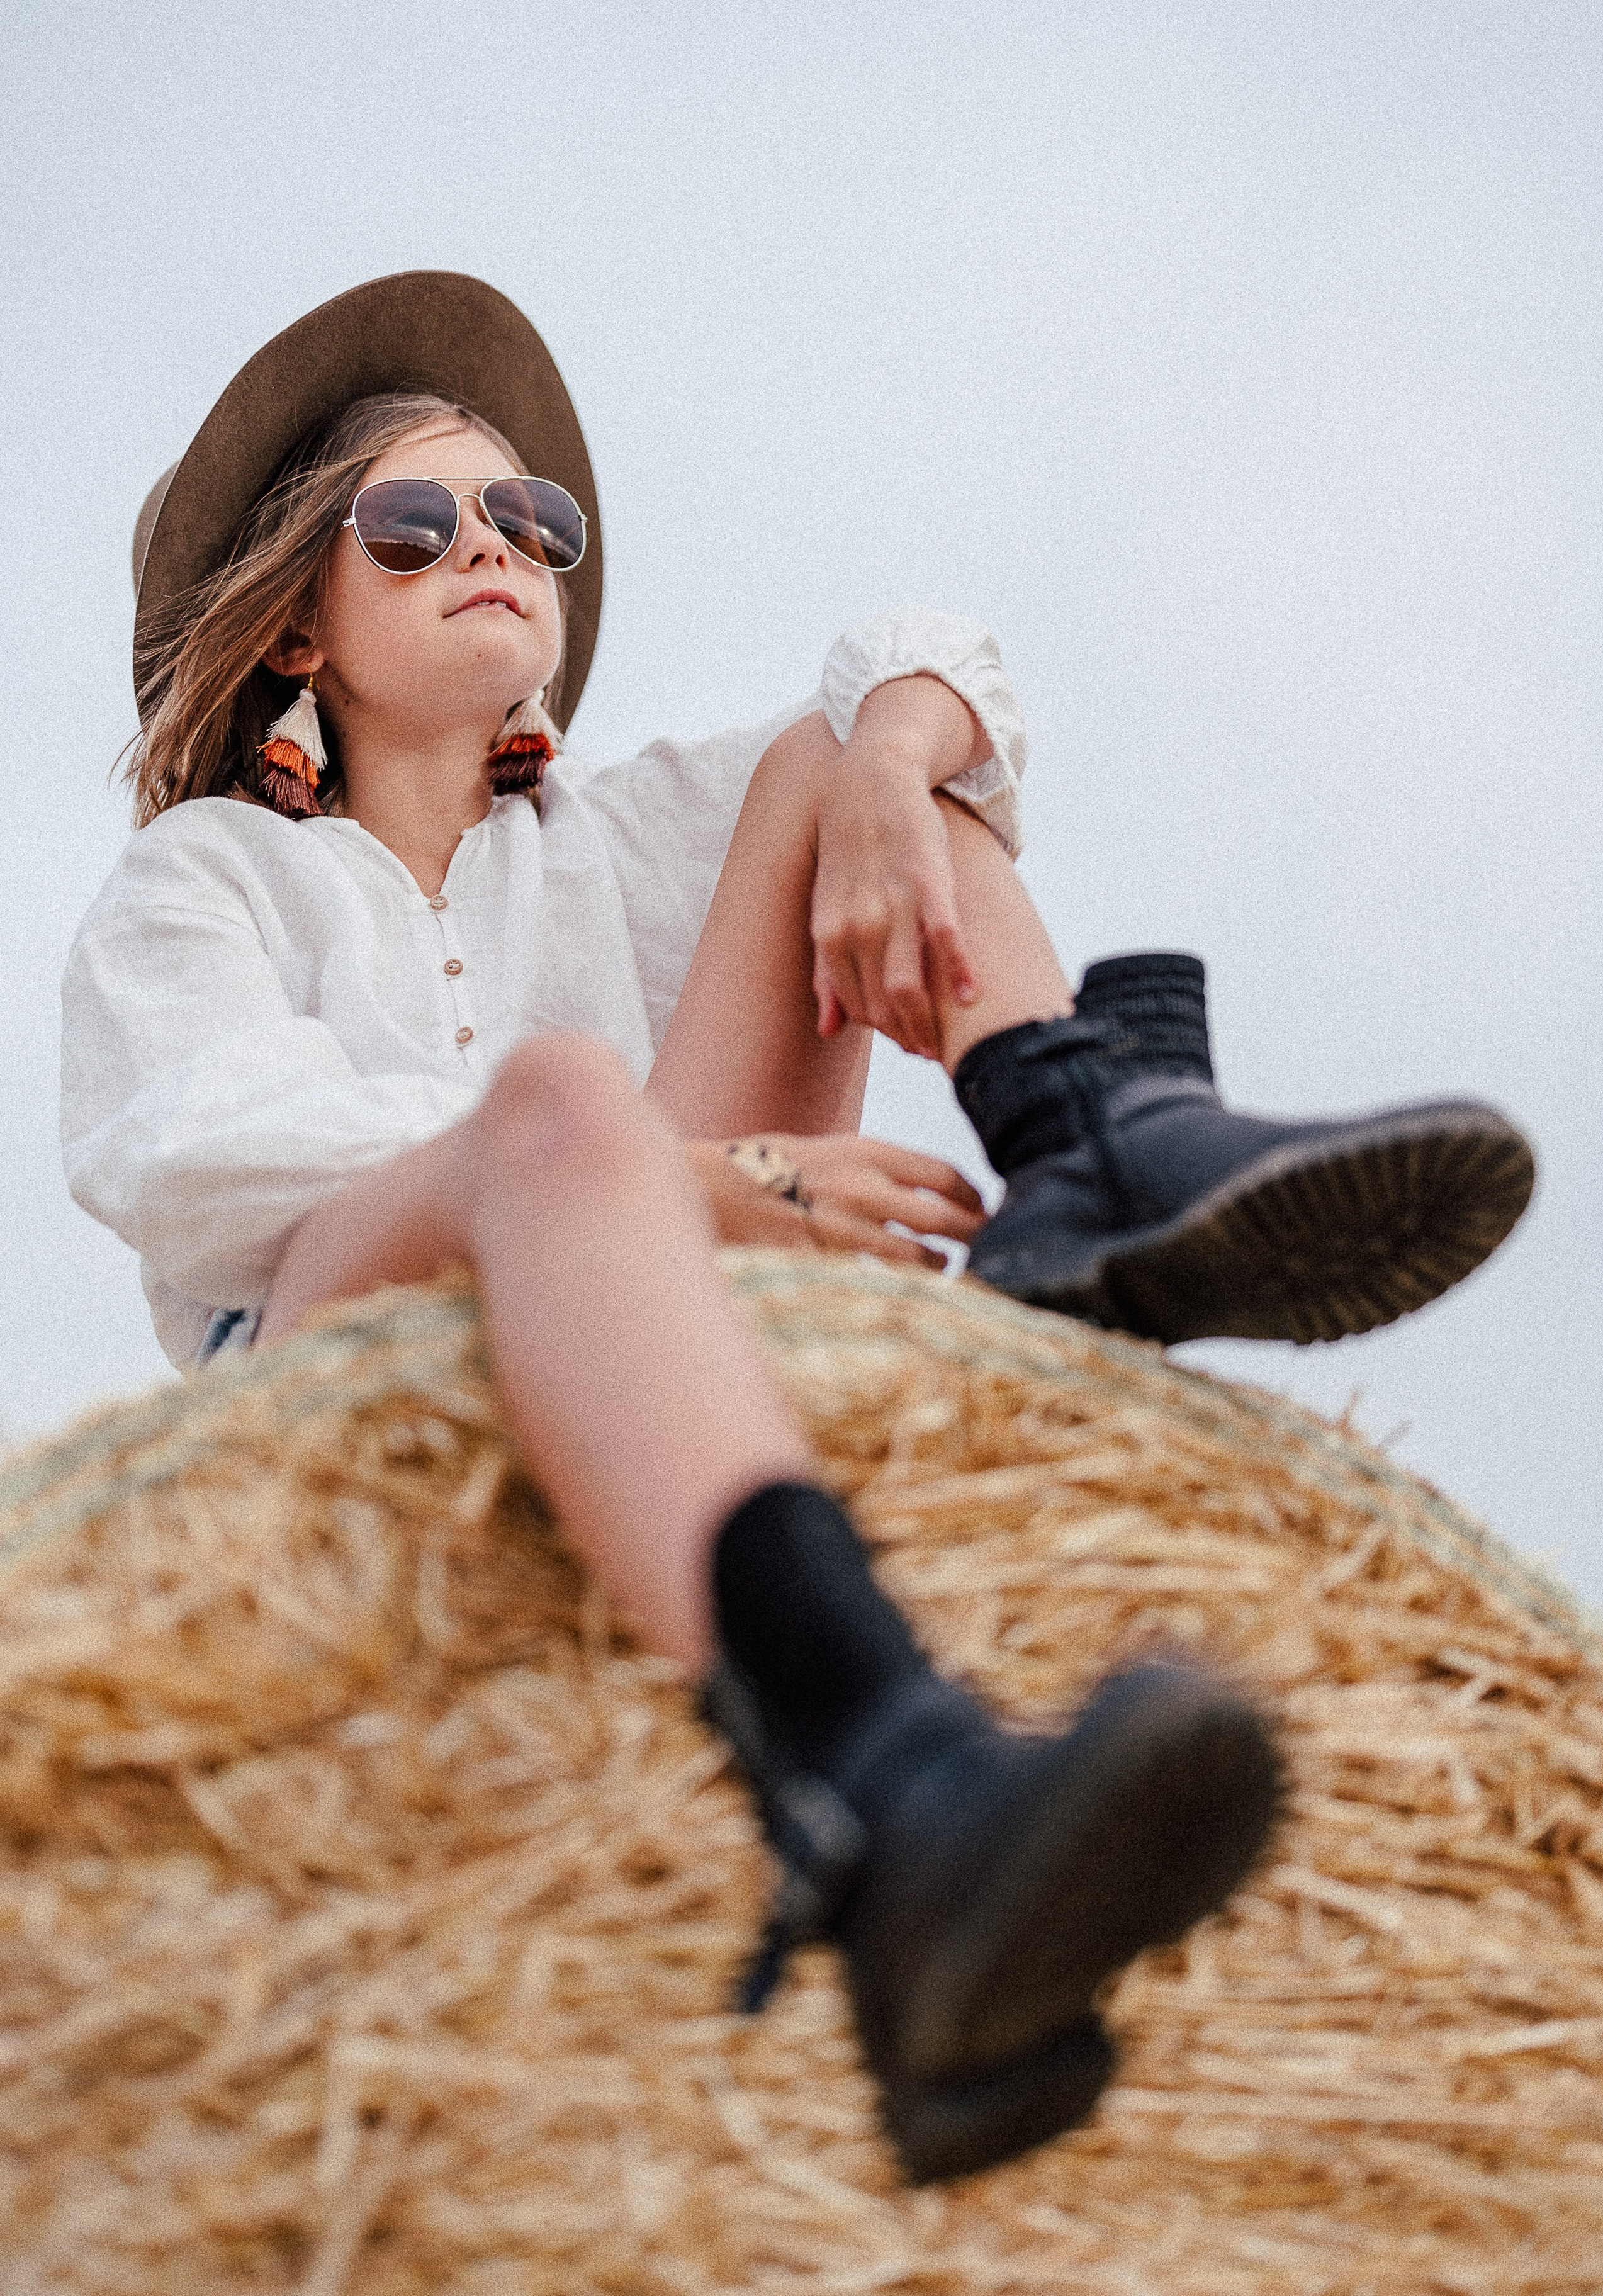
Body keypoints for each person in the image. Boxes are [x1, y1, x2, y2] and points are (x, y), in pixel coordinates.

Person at [61, 274, 1527, 2184]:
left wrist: (898, 773)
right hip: (328, 1352)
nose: (488, 546)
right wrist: (719, 1181)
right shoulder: (209, 879)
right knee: (561, 1099)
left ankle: (1081, 1136)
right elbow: (200, 1155)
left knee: (848, 768)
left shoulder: (609, 833)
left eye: (530, 522)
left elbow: (925, 664)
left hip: (632, 1254)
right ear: (299, 624)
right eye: (412, 526)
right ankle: (889, 1777)